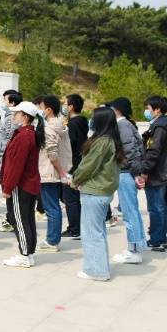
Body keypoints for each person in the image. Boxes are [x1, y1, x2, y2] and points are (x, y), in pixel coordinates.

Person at [71, 107, 122, 281]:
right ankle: (99, 267)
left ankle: (97, 271)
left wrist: (75, 179)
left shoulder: (101, 142)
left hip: (95, 191)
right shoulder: (111, 140)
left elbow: (88, 166)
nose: (91, 121)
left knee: (92, 233)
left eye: (93, 118)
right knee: (98, 232)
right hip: (103, 190)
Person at [0, 101, 44, 268]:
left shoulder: (25, 136)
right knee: (26, 219)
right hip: (26, 184)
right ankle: (28, 253)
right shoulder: (26, 133)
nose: (13, 116)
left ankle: (25, 255)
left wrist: (8, 187)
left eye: (16, 113)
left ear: (25, 116)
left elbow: (16, 165)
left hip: (21, 185)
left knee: (19, 220)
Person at [107, 97, 147, 265]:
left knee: (130, 213)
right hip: (126, 172)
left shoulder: (123, 126)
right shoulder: (125, 125)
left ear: (117, 109)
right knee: (131, 212)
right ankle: (136, 246)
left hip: (125, 173)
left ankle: (134, 251)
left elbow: (130, 152)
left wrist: (135, 172)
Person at [137, 96, 167, 252]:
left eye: (148, 108)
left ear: (157, 110)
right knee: (161, 205)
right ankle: (161, 237)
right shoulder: (166, 124)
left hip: (157, 172)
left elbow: (153, 151)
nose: (146, 111)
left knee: (156, 207)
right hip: (164, 170)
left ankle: (157, 240)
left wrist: (145, 171)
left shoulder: (160, 127)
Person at [36, 96, 73, 253]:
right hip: (56, 172)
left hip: (49, 172)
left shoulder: (49, 128)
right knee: (54, 207)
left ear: (49, 110)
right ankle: (53, 239)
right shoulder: (61, 125)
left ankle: (52, 241)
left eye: (41, 107)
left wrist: (61, 172)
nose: (39, 110)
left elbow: (52, 154)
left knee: (51, 208)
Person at [0, 91, 23, 233]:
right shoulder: (9, 117)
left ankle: (11, 221)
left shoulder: (11, 118)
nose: (3, 103)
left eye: (5, 100)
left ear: (12, 103)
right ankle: (11, 219)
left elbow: (9, 140)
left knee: (9, 190)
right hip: (4, 157)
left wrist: (3, 157)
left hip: (6, 158)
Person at [62, 94, 89, 240]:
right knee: (75, 197)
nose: (64, 106)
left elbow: (69, 145)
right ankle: (78, 226)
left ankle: (74, 228)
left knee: (70, 198)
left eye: (65, 104)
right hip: (78, 162)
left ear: (71, 107)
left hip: (71, 165)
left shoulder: (72, 124)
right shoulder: (82, 122)